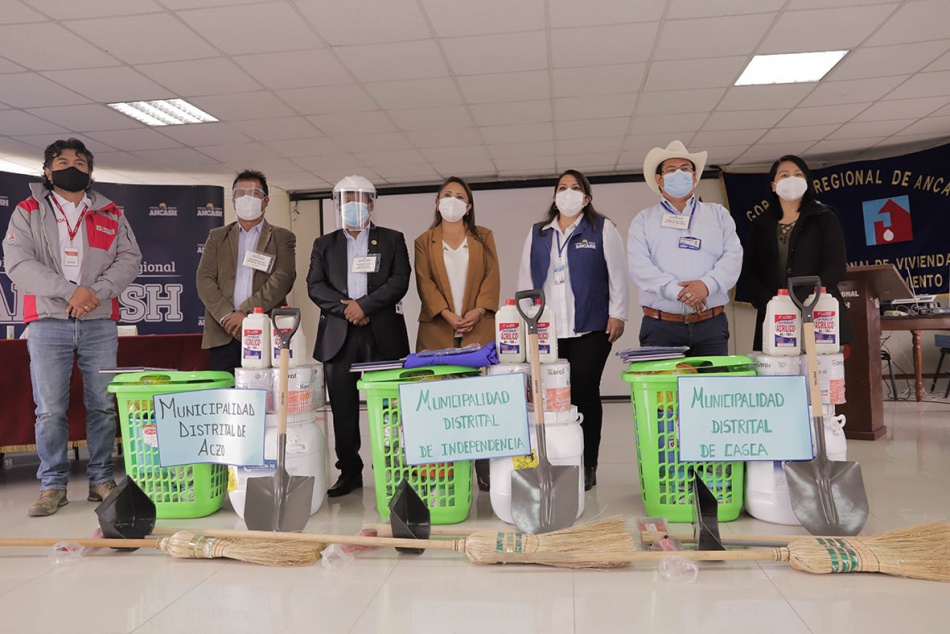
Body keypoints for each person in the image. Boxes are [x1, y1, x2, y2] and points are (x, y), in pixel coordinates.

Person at [2, 138, 142, 516]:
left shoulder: (111, 213)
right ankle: (52, 485)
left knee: (103, 406)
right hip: (48, 320)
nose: (71, 167)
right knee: (50, 409)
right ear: (47, 172)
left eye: (80, 162)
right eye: (62, 161)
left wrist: (95, 293)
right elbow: (18, 263)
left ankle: (101, 479)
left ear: (90, 172)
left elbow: (130, 258)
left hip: (99, 321)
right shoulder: (28, 210)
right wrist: (70, 292)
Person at [517, 170, 629, 491]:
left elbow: (618, 274)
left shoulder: (602, 229)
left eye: (575, 188)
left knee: (584, 391)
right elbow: (525, 280)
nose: (568, 193)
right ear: (554, 197)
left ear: (586, 198)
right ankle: (559, 460)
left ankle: (588, 464)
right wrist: (527, 323)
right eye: (562, 188)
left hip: (591, 327)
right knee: (551, 399)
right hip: (547, 329)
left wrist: (618, 313)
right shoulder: (538, 233)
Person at [307, 175, 411, 497]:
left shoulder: (392, 239)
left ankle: (392, 468)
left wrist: (364, 306)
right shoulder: (324, 244)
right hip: (339, 336)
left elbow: (399, 280)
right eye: (347, 200)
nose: (353, 205)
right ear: (338, 206)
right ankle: (349, 472)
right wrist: (348, 310)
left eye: (360, 199)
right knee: (343, 409)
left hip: (382, 333)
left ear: (371, 204)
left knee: (389, 409)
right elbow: (315, 286)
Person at [414, 176, 500, 490]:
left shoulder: (484, 237)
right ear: (437, 203)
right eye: (447, 195)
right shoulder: (424, 241)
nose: (453, 200)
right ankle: (445, 472)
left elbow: (492, 277)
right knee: (441, 406)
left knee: (479, 406)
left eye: (459, 196)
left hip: (479, 328)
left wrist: (477, 311)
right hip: (438, 329)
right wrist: (447, 315)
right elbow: (425, 283)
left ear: (469, 206)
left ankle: (484, 469)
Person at [627, 140, 742, 357]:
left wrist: (706, 285)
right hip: (661, 327)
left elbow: (733, 256)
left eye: (685, 169)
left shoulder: (718, 214)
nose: (679, 174)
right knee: (662, 382)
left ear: (694, 176)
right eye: (671, 170)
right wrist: (680, 292)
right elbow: (639, 266)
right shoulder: (643, 220)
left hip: (711, 325)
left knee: (712, 381)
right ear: (659, 179)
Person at [741, 154, 854, 351]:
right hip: (776, 314)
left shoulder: (823, 217)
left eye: (798, 174)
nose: (792, 179)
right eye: (784, 175)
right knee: (780, 367)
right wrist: (772, 303)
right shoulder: (761, 224)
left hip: (818, 310)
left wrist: (800, 298)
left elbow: (835, 267)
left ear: (807, 181)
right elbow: (751, 271)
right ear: (773, 185)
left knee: (820, 369)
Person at [196, 170, 296, 373]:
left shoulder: (281, 237)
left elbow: (283, 279)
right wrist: (228, 316)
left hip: (265, 332)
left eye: (254, 193)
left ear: (265, 201)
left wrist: (247, 314)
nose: (246, 198)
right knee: (224, 391)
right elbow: (204, 279)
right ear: (233, 200)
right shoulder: (217, 236)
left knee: (265, 390)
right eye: (240, 193)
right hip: (223, 332)